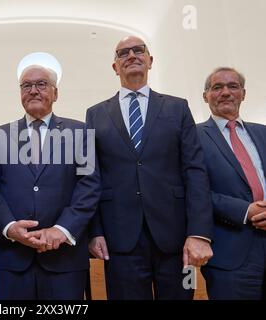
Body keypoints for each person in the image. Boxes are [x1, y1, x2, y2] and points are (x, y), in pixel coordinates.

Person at [86, 36, 213, 300]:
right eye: (123, 53)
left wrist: (199, 233)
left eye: (138, 50)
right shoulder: (94, 114)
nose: (131, 55)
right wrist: (94, 232)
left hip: (177, 239)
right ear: (115, 66)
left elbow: (195, 172)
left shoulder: (178, 108)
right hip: (119, 240)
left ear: (150, 61)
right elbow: (90, 176)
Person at [0, 65, 101, 299]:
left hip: (64, 261)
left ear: (55, 93)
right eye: (27, 86)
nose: (34, 90)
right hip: (11, 259)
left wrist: (62, 229)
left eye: (41, 84)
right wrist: (9, 227)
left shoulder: (81, 132)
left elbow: (89, 185)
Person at [197, 67, 266, 299]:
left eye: (233, 86)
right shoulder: (193, 137)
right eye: (217, 87)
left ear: (243, 94)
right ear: (205, 96)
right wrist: (245, 210)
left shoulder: (263, 133)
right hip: (230, 255)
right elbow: (194, 192)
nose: (225, 92)